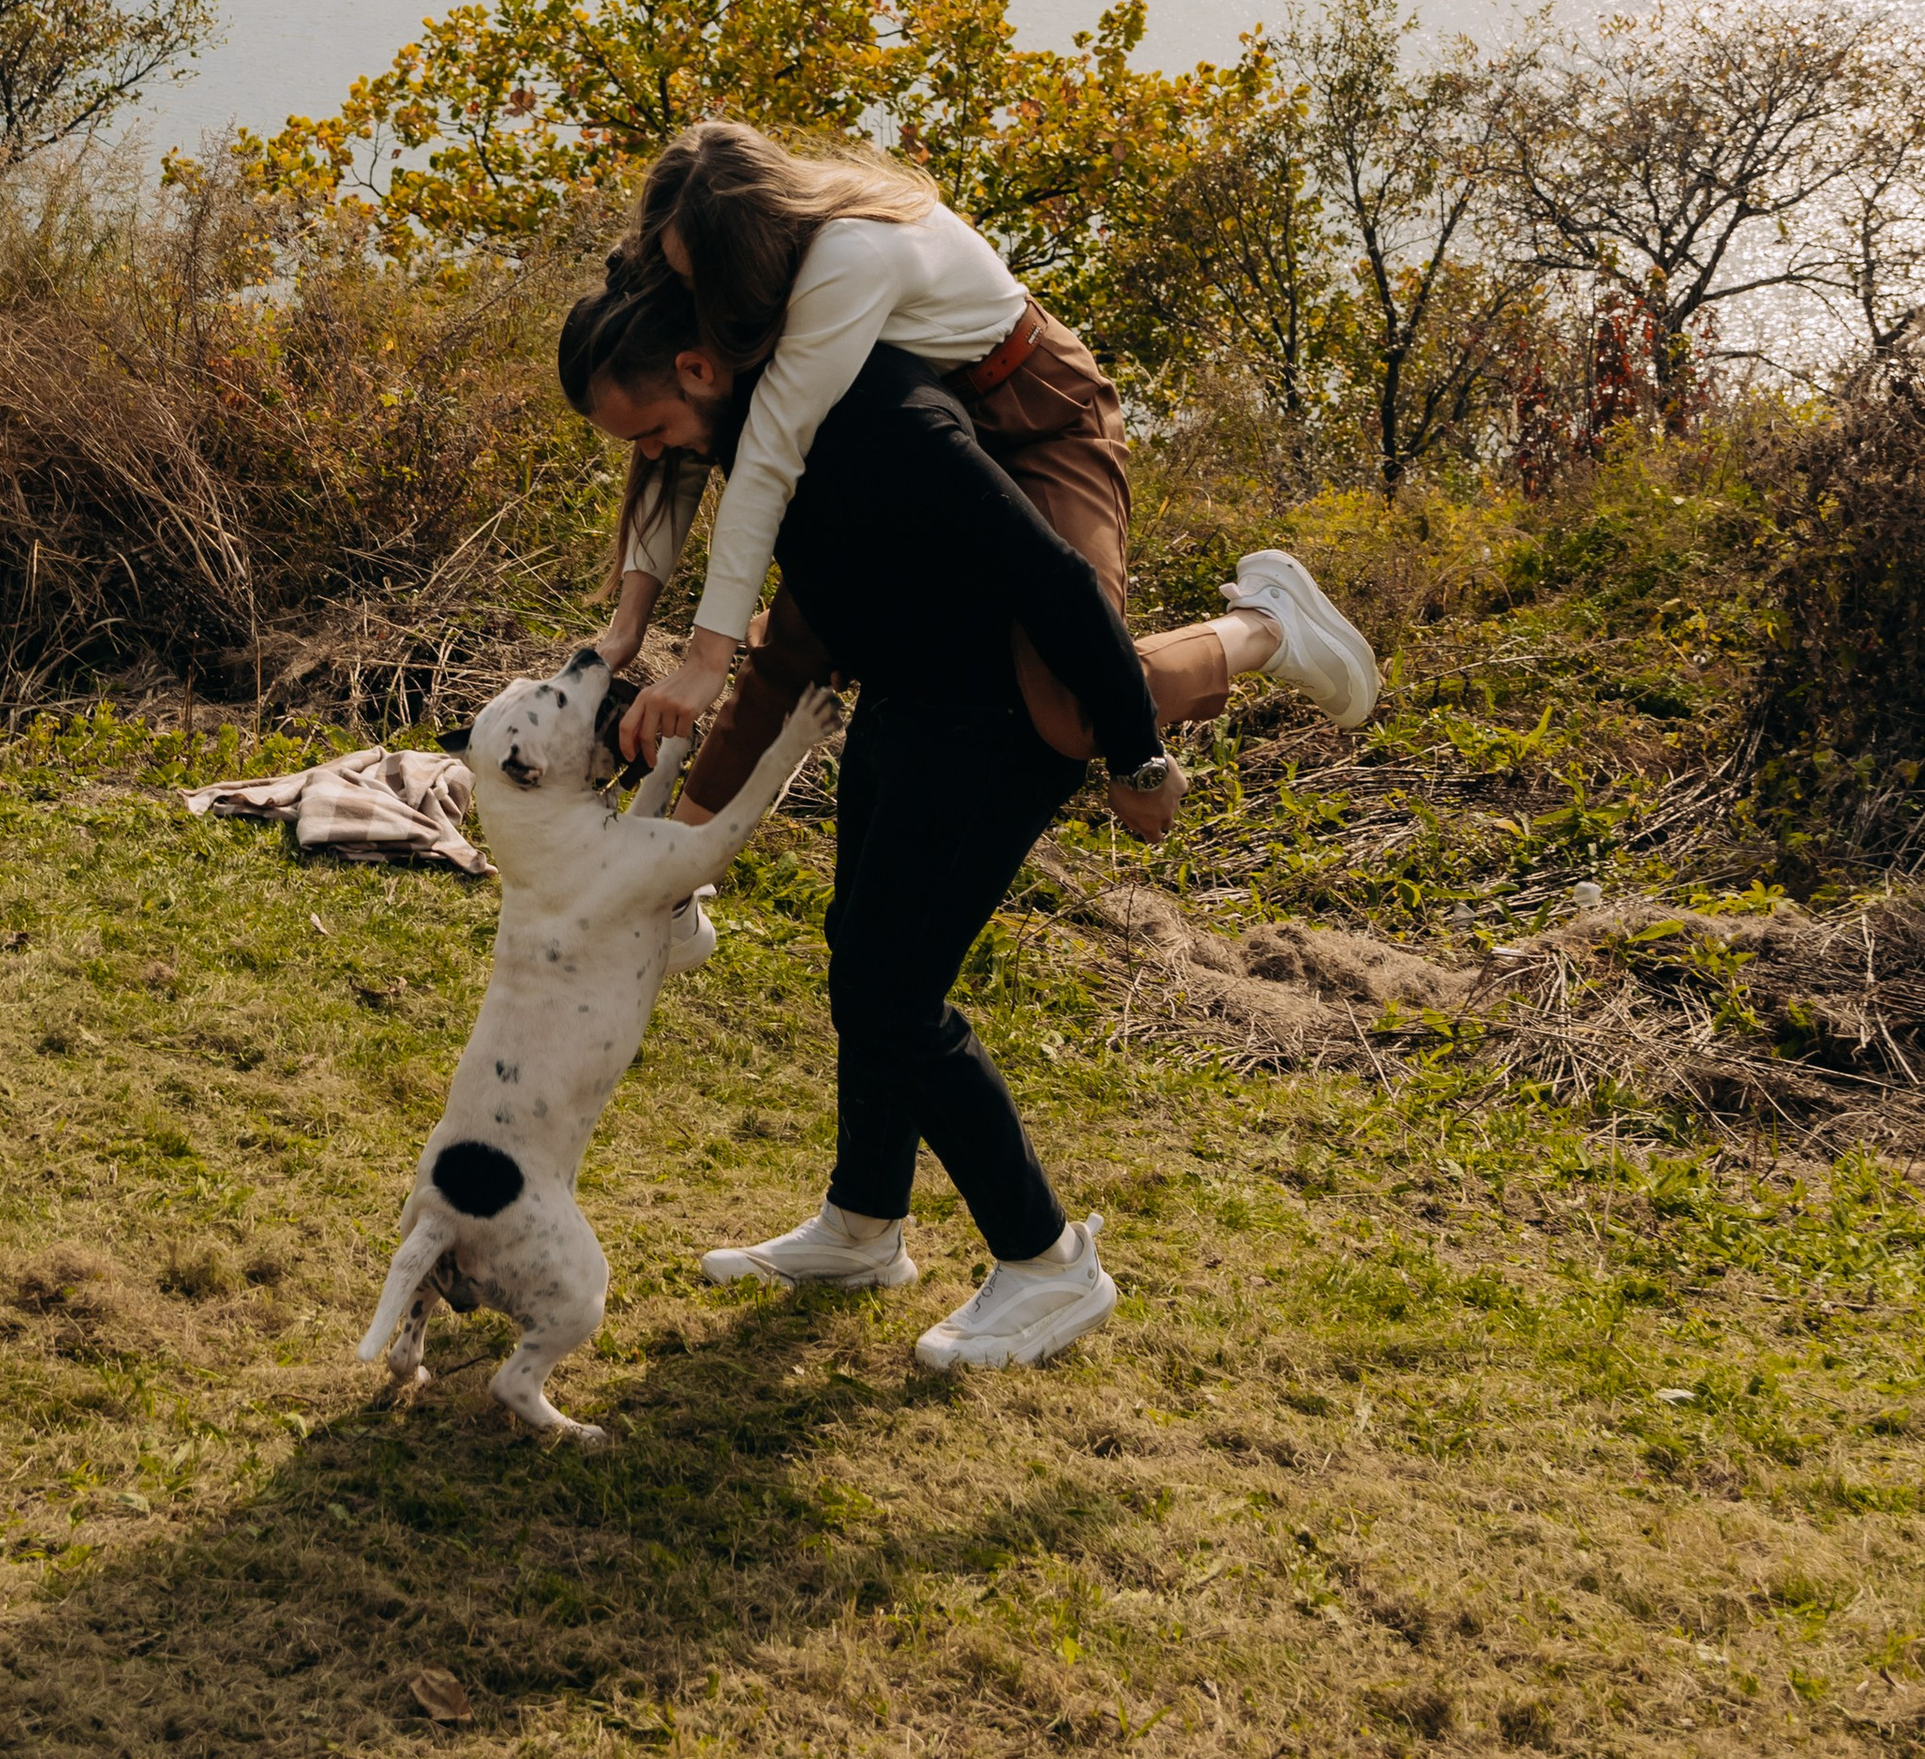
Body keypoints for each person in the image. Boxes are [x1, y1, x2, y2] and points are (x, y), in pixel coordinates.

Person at [557, 260, 1164, 1370]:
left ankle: (1047, 1263)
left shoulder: (881, 414)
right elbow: (783, 651)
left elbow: (1055, 579)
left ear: (700, 368)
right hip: (906, 702)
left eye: (648, 431)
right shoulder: (767, 444)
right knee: (860, 960)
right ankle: (863, 1224)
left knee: (890, 990)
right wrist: (683, 843)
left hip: (999, 719)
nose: (651, 461)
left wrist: (1137, 751)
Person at [588, 119, 1375, 823]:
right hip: (927, 433)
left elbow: (766, 458)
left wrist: (699, 663)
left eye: (698, 280)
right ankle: (668, 879)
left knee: (1072, 699)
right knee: (792, 645)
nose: (691, 297)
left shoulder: (846, 258)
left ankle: (1264, 628)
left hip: (1037, 415)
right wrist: (631, 620)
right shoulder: (731, 260)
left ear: (746, 246)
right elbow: (677, 440)